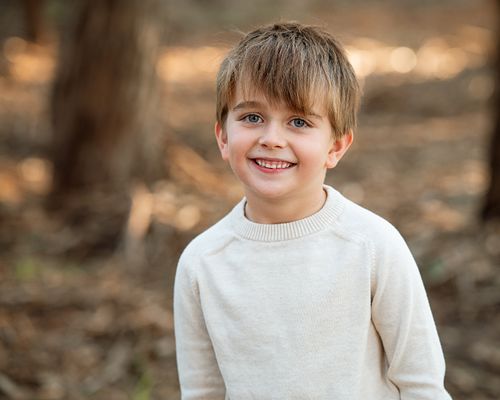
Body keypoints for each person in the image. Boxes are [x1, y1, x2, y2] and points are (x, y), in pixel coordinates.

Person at [173, 22, 452, 399]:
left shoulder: (373, 246)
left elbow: (421, 384)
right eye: (252, 117)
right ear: (223, 136)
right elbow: (202, 393)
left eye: (299, 122)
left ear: (335, 147)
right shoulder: (202, 264)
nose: (272, 139)